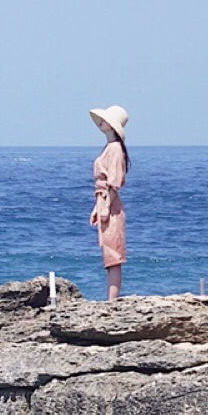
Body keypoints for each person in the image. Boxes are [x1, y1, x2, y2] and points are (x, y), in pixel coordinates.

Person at [87, 105, 130, 299]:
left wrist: (104, 207)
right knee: (109, 254)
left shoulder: (115, 149)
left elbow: (114, 183)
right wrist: (97, 207)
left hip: (110, 204)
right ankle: (111, 298)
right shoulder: (110, 147)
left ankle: (112, 301)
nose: (100, 122)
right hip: (104, 201)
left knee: (113, 256)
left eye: (105, 120)